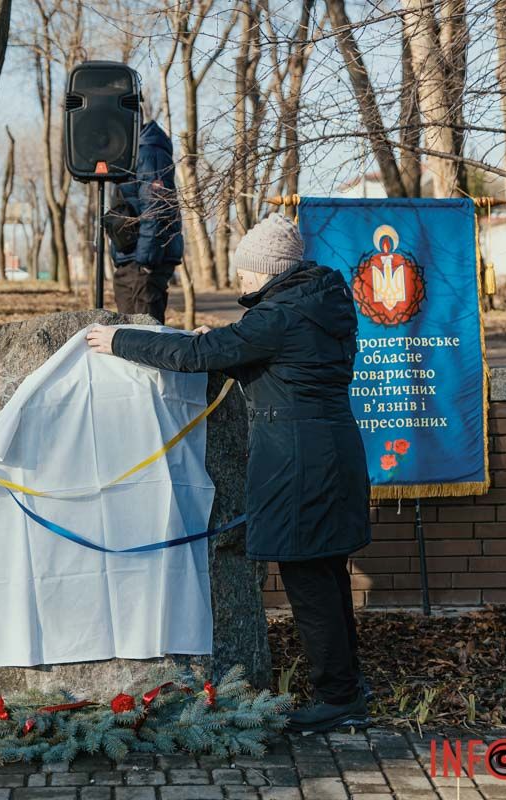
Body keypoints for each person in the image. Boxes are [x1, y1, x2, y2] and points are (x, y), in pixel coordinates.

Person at [85, 213, 372, 733]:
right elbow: (282, 363)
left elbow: (200, 355)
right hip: (333, 452)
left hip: (299, 462)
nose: (239, 278)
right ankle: (348, 689)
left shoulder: (279, 316)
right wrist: (231, 342)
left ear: (269, 270)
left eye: (245, 270)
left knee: (309, 581)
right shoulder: (318, 303)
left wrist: (121, 340)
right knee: (328, 575)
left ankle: (337, 699)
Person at [109, 119, 184, 324]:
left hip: (144, 261)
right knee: (126, 331)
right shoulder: (130, 153)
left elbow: (156, 208)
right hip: (130, 259)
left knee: (145, 334)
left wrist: (146, 263)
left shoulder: (149, 152)